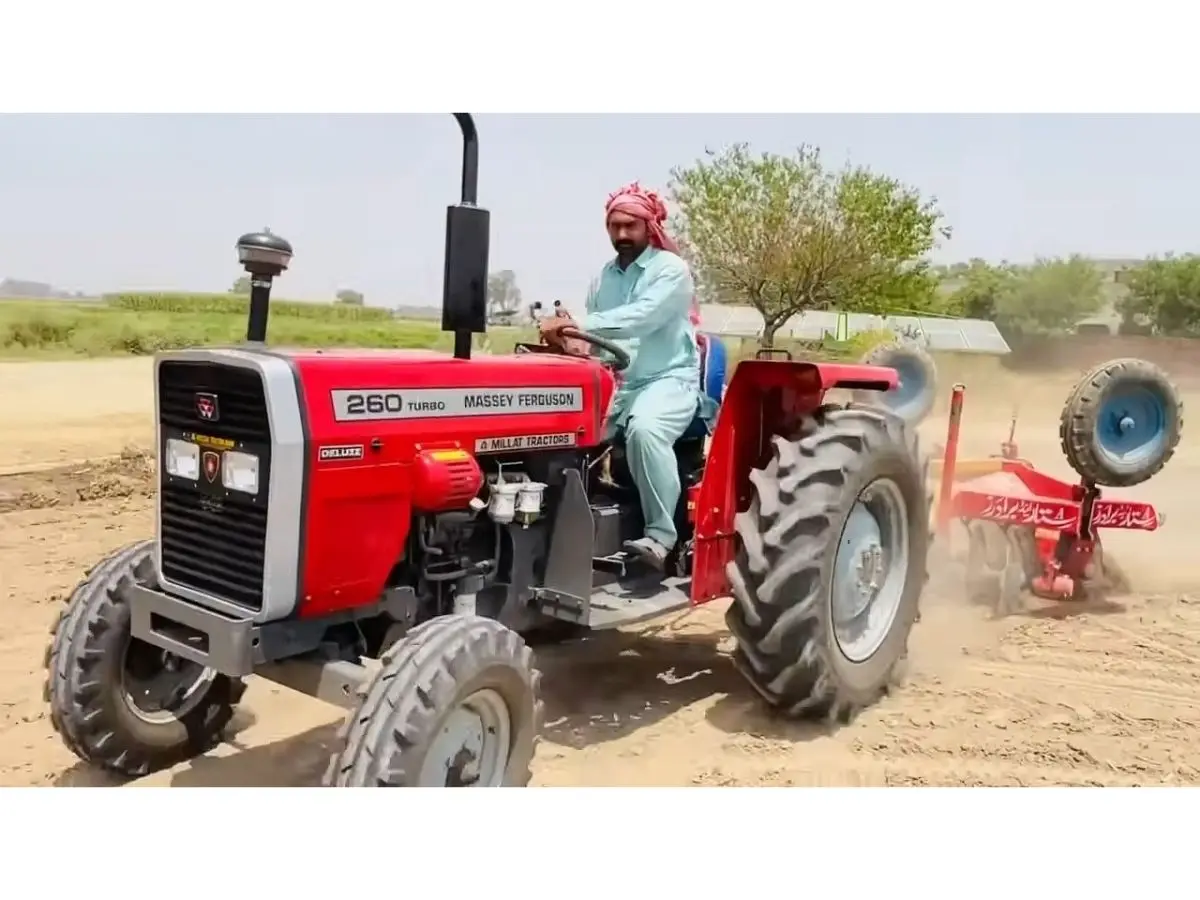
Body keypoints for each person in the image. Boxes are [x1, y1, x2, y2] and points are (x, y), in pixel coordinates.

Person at [540, 182, 715, 570]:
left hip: (667, 380)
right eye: (614, 226)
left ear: (649, 227)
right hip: (618, 381)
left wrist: (579, 324)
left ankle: (661, 535)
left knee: (646, 430)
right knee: (557, 432)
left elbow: (642, 318)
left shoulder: (671, 271)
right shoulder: (603, 278)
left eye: (630, 226)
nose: (621, 234)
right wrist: (572, 342)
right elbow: (598, 341)